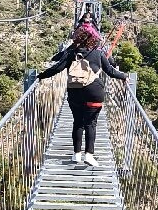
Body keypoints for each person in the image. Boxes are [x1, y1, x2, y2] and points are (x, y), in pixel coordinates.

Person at [37, 17, 128, 167]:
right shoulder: (98, 54)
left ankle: (76, 155)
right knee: (91, 124)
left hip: (74, 92)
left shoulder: (71, 52)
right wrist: (124, 76)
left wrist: (40, 76)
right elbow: (111, 71)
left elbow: (56, 68)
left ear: (78, 37)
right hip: (94, 92)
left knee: (78, 122)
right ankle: (89, 155)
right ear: (94, 39)